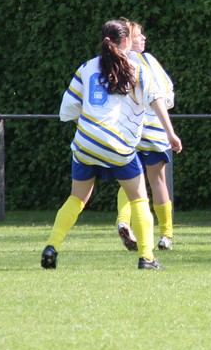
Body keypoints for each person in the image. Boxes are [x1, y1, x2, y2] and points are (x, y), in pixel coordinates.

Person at [40, 19, 182, 271]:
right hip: (119, 146)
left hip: (85, 144)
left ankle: (52, 247)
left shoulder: (87, 67)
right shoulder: (137, 68)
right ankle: (147, 258)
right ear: (126, 41)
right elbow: (157, 99)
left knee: (76, 198)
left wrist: (90, 130)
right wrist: (171, 134)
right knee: (139, 198)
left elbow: (69, 108)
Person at [115, 21, 177, 252]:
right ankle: (166, 235)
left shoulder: (116, 64)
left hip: (129, 130)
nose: (143, 39)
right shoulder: (148, 61)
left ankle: (124, 222)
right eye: (138, 35)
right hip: (154, 128)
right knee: (158, 181)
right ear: (127, 40)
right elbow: (167, 93)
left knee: (129, 179)